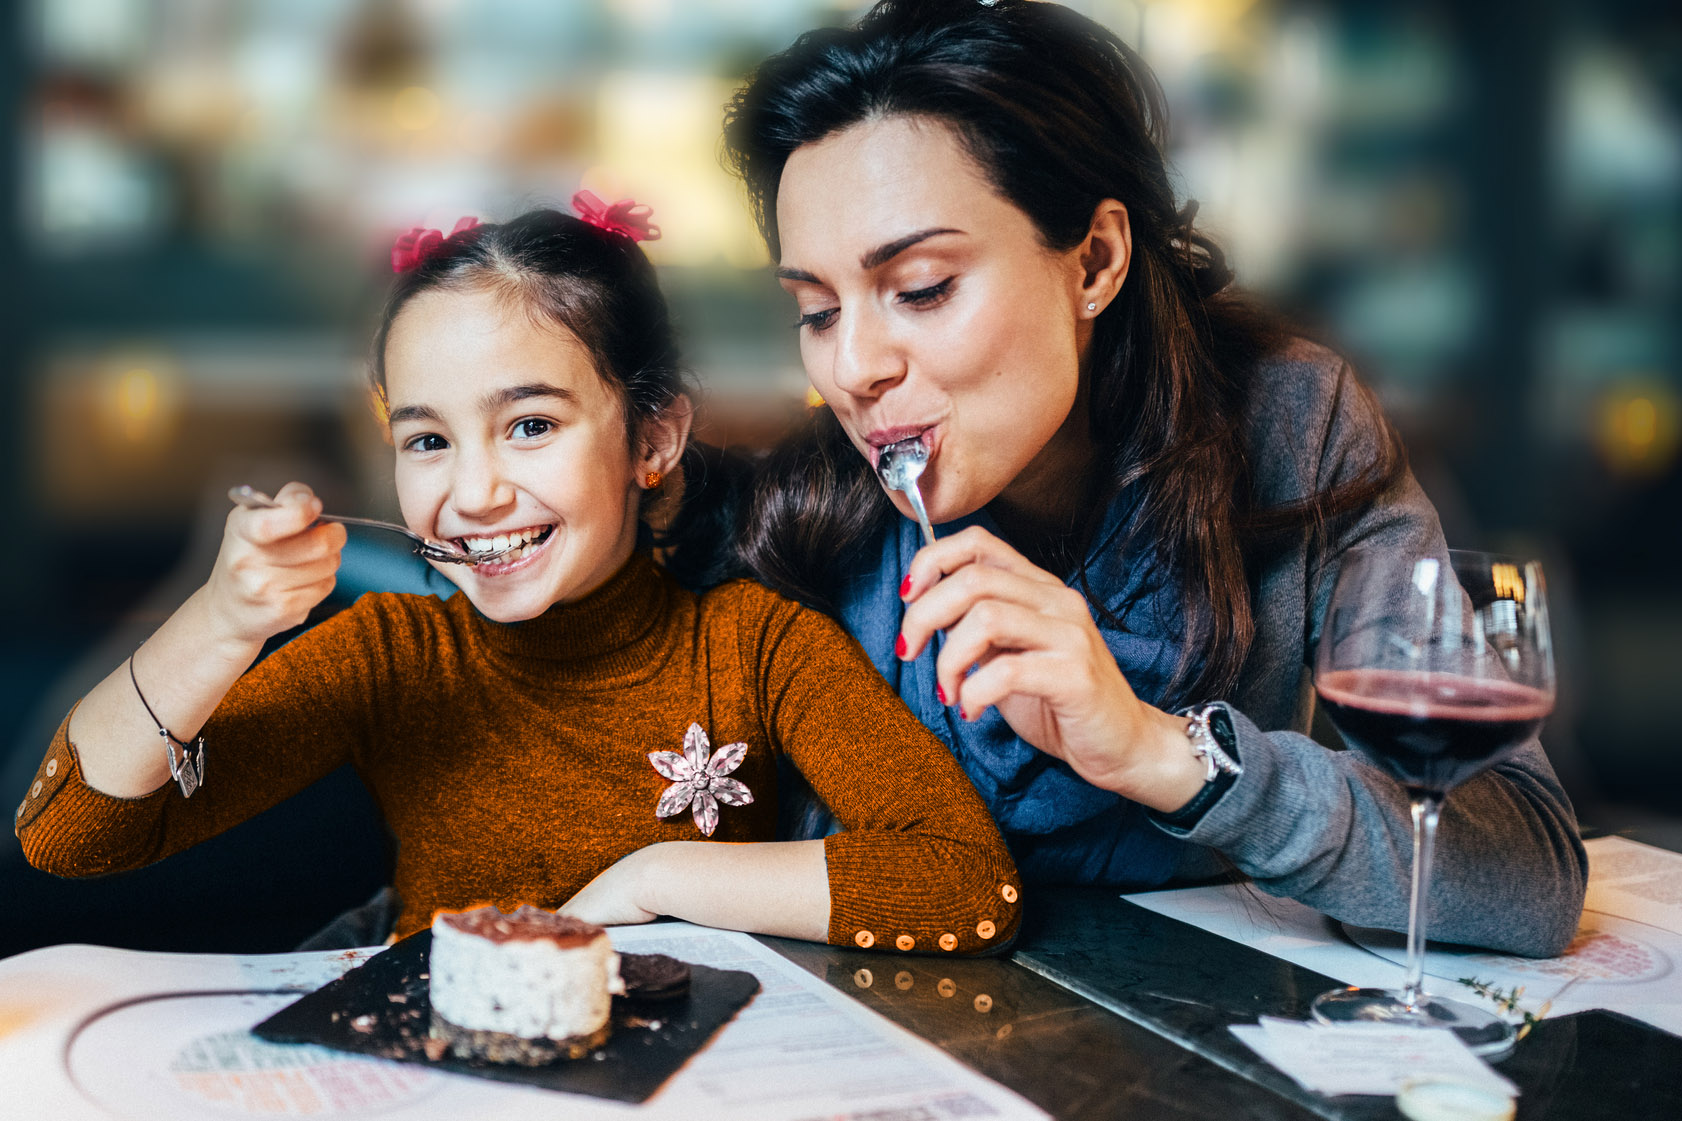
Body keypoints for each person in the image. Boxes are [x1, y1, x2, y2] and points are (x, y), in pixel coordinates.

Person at [721, 0, 1585, 956]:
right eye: (815, 310)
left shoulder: (1293, 427)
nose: (853, 368)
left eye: (922, 287)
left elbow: (1531, 874)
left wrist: (1160, 752)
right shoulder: (798, 521)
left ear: (1094, 259)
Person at [13, 204, 1022, 955]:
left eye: (529, 425)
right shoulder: (394, 655)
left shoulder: (754, 646)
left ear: (653, 435)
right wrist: (220, 620)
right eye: (426, 439)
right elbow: (69, 834)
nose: (473, 491)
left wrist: (652, 877)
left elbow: (964, 882)